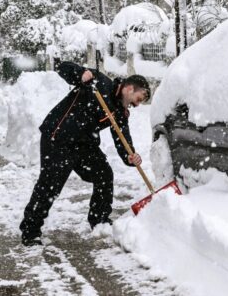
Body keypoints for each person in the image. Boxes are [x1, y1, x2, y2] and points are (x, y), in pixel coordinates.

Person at [19, 61, 150, 246]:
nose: (139, 104)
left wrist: (130, 156)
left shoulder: (120, 112)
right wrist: (80, 74)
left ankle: (99, 220)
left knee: (104, 174)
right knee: (50, 185)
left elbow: (123, 139)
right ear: (129, 88)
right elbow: (63, 67)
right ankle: (30, 231)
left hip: (84, 143)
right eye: (140, 97)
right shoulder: (99, 82)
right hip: (59, 136)